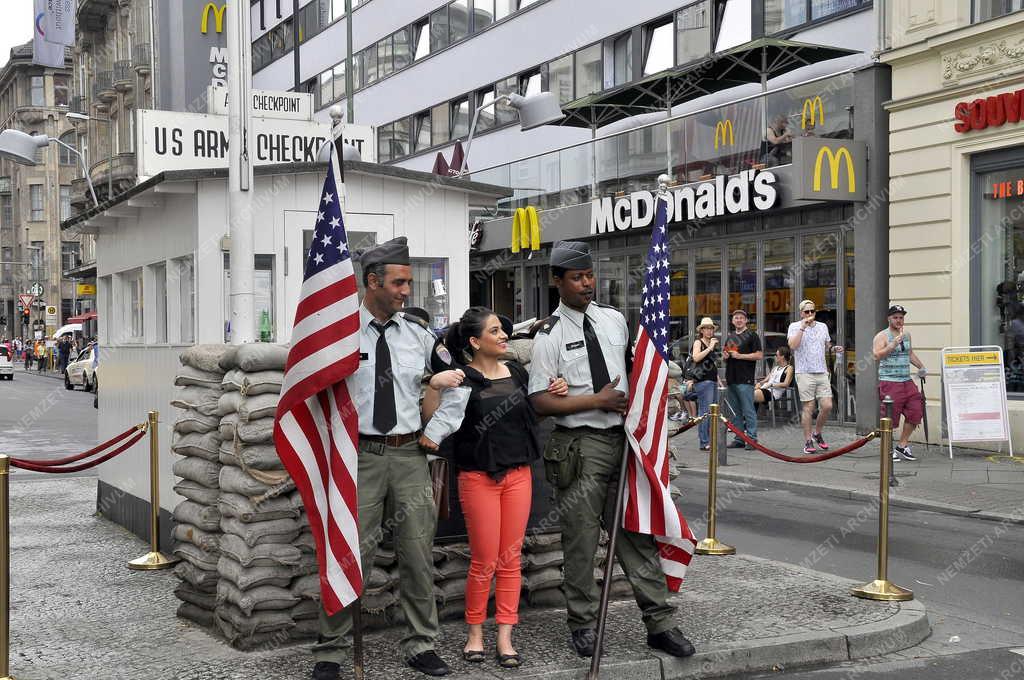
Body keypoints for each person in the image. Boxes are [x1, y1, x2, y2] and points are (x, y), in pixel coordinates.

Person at [528, 240, 696, 661]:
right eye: (577, 278)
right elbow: (539, 403)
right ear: (557, 281)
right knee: (581, 543)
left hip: (621, 442)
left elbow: (633, 370)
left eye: (589, 276)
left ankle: (659, 623)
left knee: (635, 536)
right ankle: (582, 624)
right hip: (578, 447)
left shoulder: (614, 320)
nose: (586, 284)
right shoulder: (549, 336)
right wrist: (595, 401)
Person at [311, 237, 466, 680]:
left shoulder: (419, 336)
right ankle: (332, 650)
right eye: (398, 283)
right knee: (348, 553)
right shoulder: (339, 334)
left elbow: (457, 384)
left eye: (409, 283)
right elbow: (314, 392)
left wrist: (434, 434)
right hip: (359, 458)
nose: (405, 292)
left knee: (417, 553)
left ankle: (421, 644)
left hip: (409, 456)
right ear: (373, 281)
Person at [420, 307, 568, 669]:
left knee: (510, 559)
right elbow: (431, 424)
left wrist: (557, 389)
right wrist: (434, 386)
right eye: (495, 331)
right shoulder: (461, 379)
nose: (503, 336)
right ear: (474, 342)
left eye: (504, 330)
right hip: (478, 478)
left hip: (519, 475)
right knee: (484, 561)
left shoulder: (517, 372)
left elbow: (534, 412)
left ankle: (505, 636)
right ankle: (474, 634)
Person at [788, 300, 844, 454]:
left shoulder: (822, 326)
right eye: (807, 312)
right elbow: (793, 346)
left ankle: (817, 433)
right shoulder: (794, 326)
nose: (810, 314)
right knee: (809, 407)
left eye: (812, 311)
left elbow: (827, 344)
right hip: (804, 371)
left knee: (827, 406)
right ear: (801, 313)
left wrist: (833, 348)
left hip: (821, 371)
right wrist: (803, 327)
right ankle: (807, 441)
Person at [872, 305, 927, 462]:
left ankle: (902, 446)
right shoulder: (882, 336)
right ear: (889, 319)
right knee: (890, 418)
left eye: (901, 317)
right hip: (889, 382)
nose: (898, 320)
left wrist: (921, 367)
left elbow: (909, 353)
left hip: (906, 381)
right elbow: (876, 356)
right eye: (895, 317)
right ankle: (888, 450)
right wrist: (892, 345)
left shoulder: (907, 334)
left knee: (916, 411)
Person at [723, 309, 763, 450]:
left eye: (741, 318)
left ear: (746, 320)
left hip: (745, 378)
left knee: (748, 410)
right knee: (735, 412)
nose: (738, 320)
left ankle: (752, 439)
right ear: (732, 321)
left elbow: (759, 355)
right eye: (736, 318)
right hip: (731, 378)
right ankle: (739, 438)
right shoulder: (731, 337)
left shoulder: (752, 335)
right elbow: (725, 355)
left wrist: (741, 356)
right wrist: (725, 356)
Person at [689, 317, 720, 451]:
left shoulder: (711, 343)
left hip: (712, 380)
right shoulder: (698, 342)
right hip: (702, 381)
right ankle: (704, 441)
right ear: (701, 330)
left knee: (712, 412)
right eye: (706, 328)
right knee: (705, 411)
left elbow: (711, 364)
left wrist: (718, 381)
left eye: (711, 328)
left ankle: (709, 440)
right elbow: (696, 357)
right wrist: (710, 348)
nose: (709, 330)